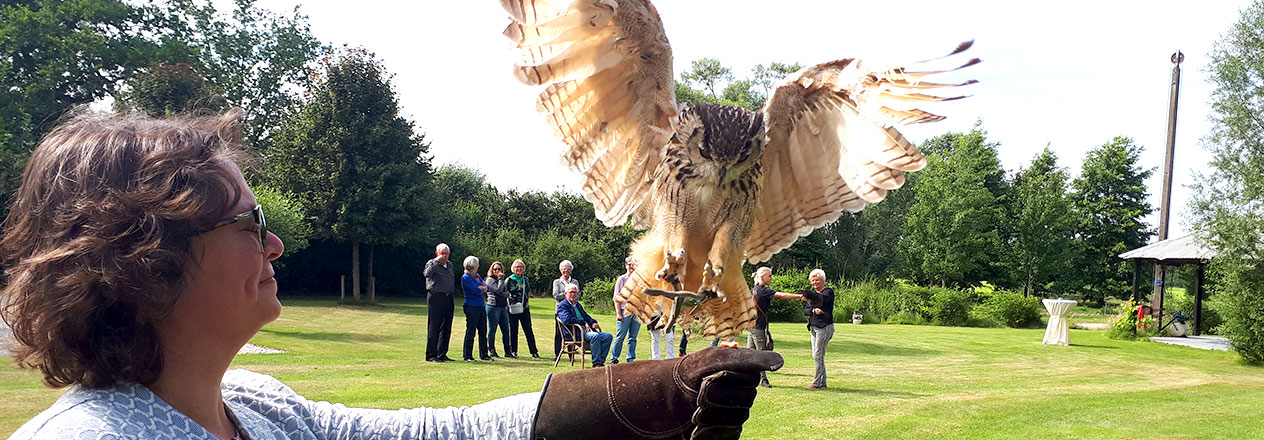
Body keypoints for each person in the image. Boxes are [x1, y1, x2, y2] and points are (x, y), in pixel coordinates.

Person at [2, 111, 781, 439]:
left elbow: (422, 432)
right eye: (250, 226)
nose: (275, 249)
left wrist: (647, 388)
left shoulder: (257, 408)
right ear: (144, 255)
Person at [748, 267, 805, 388]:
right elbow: (782, 295)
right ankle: (763, 380)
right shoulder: (764, 290)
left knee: (750, 353)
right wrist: (799, 296)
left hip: (751, 325)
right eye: (770, 276)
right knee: (761, 354)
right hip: (758, 326)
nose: (771, 278)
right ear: (763, 277)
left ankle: (747, 378)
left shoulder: (754, 289)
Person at [555, 284, 613, 368]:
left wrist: (593, 322)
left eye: (575, 292)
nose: (573, 294)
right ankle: (596, 363)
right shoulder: (563, 306)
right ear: (565, 294)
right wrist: (583, 322)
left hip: (586, 331)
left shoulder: (577, 305)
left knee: (608, 336)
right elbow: (566, 319)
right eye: (571, 292)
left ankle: (600, 361)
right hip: (576, 333)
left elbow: (586, 316)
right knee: (595, 336)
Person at [424, 243, 457, 362]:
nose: (444, 256)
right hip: (435, 297)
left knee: (446, 326)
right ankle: (431, 355)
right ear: (437, 253)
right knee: (434, 326)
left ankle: (442, 353)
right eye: (442, 253)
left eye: (446, 254)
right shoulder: (431, 263)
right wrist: (436, 261)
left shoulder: (450, 265)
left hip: (448, 297)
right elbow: (427, 274)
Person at [805, 268, 836, 390]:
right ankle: (822, 383)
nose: (814, 283)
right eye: (812, 281)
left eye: (816, 280)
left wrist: (809, 297)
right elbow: (806, 310)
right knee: (817, 355)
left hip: (824, 327)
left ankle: (817, 383)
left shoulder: (828, 292)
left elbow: (821, 300)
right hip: (813, 327)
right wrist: (813, 310)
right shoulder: (813, 296)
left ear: (822, 280)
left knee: (818, 355)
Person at [506, 259, 540, 359]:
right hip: (513, 308)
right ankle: (514, 351)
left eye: (521, 267)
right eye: (517, 267)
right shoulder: (509, 280)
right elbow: (506, 292)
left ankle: (534, 352)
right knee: (513, 330)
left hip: (524, 308)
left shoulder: (526, 279)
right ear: (513, 268)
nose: (519, 269)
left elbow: (528, 291)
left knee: (528, 330)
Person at [609, 256, 640, 364]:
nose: (631, 266)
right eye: (629, 264)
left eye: (633, 264)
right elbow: (616, 298)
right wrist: (618, 314)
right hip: (624, 310)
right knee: (620, 336)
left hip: (636, 311)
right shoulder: (621, 279)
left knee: (633, 338)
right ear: (626, 265)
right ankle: (614, 358)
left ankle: (630, 359)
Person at [460, 256, 491, 362]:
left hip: (481, 306)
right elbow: (475, 290)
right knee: (471, 331)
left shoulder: (477, 276)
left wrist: (483, 287)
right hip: (471, 306)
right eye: (477, 265)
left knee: (483, 331)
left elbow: (487, 288)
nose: (478, 266)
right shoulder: (466, 278)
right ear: (473, 266)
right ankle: (467, 355)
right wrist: (482, 287)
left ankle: (484, 354)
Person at [551, 260, 580, 357]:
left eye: (568, 269)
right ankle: (557, 355)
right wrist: (568, 295)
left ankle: (571, 355)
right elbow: (556, 295)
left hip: (572, 311)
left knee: (572, 333)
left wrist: (569, 294)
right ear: (561, 270)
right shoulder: (556, 282)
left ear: (571, 270)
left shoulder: (575, 281)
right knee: (559, 334)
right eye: (564, 269)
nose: (566, 271)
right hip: (560, 311)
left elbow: (578, 295)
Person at [485, 261, 512, 358]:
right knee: (492, 329)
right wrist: (500, 279)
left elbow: (506, 293)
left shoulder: (501, 280)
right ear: (492, 270)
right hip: (493, 307)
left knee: (506, 330)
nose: (497, 271)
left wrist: (502, 292)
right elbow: (498, 290)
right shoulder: (490, 280)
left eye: (499, 269)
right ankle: (492, 350)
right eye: (495, 269)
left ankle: (508, 352)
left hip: (503, 307)